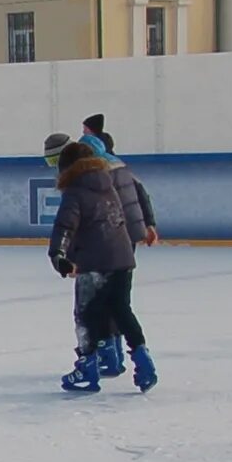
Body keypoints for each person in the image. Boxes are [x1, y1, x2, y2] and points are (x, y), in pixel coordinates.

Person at [47, 133, 150, 392]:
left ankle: (87, 368)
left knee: (86, 316)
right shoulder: (107, 185)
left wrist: (58, 255)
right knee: (121, 310)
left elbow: (65, 226)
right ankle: (144, 361)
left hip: (94, 263)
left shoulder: (75, 191)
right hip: (123, 259)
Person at [80, 114, 158, 376]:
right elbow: (141, 194)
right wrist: (148, 224)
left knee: (100, 300)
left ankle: (109, 353)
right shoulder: (121, 166)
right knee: (118, 300)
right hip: (127, 239)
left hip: (109, 239)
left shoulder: (99, 173)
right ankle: (123, 353)